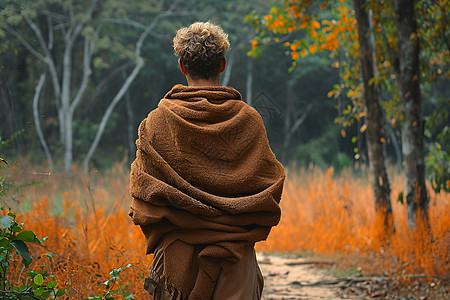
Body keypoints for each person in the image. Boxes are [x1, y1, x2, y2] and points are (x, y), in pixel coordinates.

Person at [129, 21, 285, 300]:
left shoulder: (158, 121)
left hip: (176, 256)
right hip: (236, 258)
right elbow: (269, 187)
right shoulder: (248, 120)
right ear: (223, 64)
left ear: (182, 66)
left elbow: (142, 192)